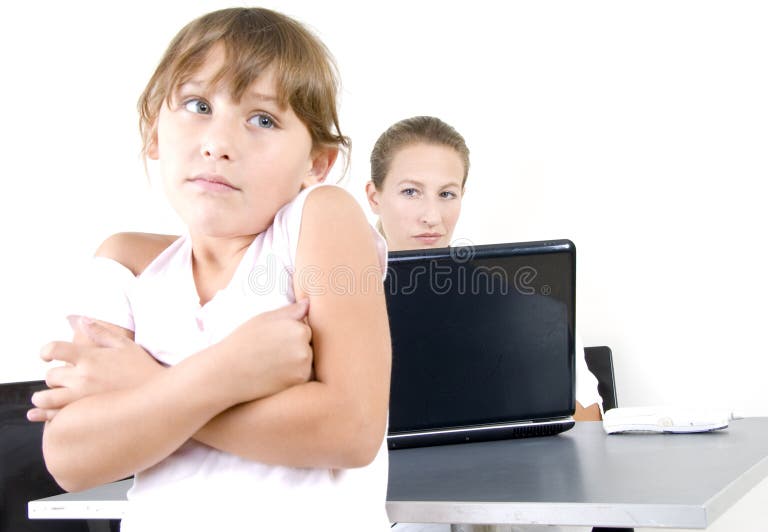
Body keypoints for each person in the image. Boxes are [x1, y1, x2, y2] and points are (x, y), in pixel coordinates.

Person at [27, 8, 391, 531]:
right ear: (154, 132)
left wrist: (147, 387)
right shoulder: (125, 262)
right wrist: (227, 372)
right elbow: (72, 458)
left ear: (317, 163)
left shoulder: (322, 219)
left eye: (262, 119)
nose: (219, 143)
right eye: (198, 105)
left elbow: (351, 431)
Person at [366, 115, 602, 421]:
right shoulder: (333, 302)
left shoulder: (528, 308)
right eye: (411, 192)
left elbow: (586, 426)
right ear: (375, 197)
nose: (432, 216)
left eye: (446, 194)